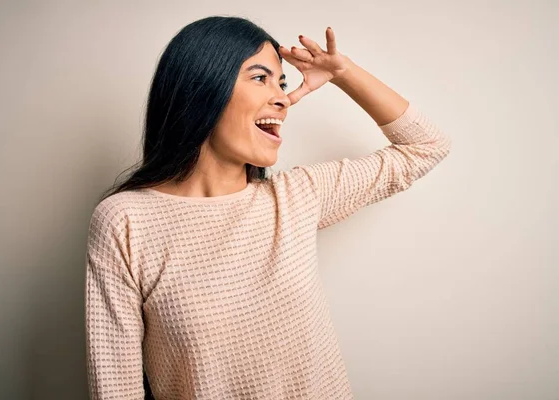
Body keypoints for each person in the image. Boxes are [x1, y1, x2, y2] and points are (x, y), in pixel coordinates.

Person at [84, 15, 452, 400]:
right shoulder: (125, 222)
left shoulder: (295, 198)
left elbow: (427, 147)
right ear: (201, 87)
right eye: (260, 78)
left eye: (282, 82)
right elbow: (115, 390)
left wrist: (343, 72)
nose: (282, 98)